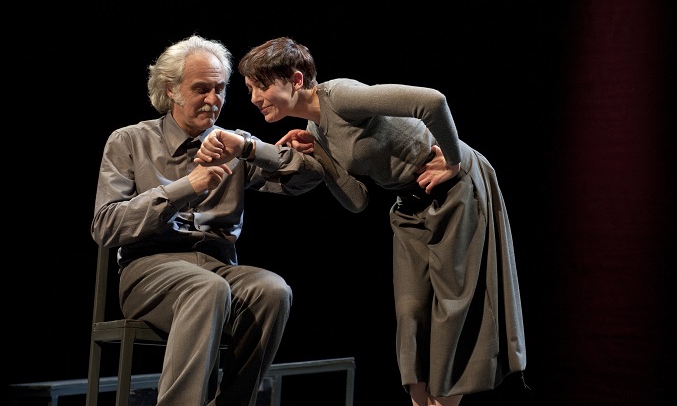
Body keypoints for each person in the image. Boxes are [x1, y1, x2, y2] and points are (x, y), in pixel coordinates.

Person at [196, 37, 527, 406]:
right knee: (411, 312)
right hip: (411, 206)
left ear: (297, 80)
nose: (255, 98)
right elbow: (357, 201)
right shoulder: (317, 129)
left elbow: (432, 101)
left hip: (457, 190)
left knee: (452, 307)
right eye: (250, 90)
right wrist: (321, 155)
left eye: (262, 86)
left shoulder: (341, 96)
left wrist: (452, 161)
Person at [90, 35, 324, 406]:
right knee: (207, 289)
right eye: (202, 89)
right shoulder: (130, 141)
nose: (213, 100)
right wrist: (186, 187)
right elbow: (106, 226)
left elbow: (308, 179)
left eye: (220, 89)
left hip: (218, 267)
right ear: (171, 89)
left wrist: (252, 148)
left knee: (272, 290)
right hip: (150, 273)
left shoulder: (233, 143)